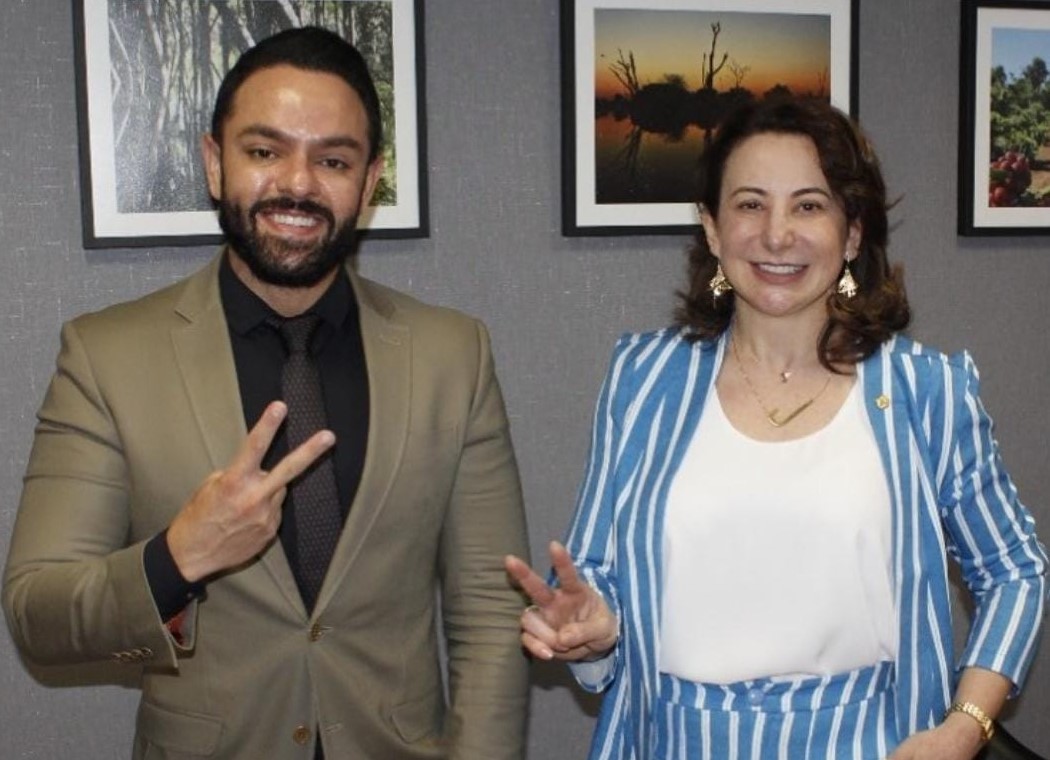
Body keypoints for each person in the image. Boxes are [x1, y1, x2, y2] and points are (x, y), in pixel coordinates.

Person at [3, 26, 529, 760]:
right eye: (263, 151)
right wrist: (175, 559)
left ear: (369, 180)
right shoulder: (106, 357)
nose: (298, 184)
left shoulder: (453, 354)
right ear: (214, 163)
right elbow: (38, 615)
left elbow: (490, 614)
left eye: (333, 160)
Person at [506, 96, 1047, 759]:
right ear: (712, 228)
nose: (777, 234)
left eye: (809, 205)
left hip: (873, 744)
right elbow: (595, 571)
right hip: (671, 742)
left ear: (852, 233)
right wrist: (594, 627)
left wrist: (965, 727)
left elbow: (1016, 570)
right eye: (750, 204)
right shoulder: (642, 377)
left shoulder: (926, 390)